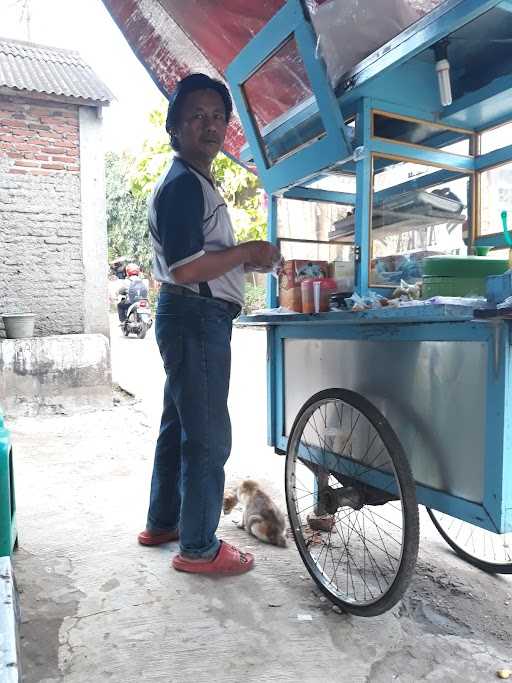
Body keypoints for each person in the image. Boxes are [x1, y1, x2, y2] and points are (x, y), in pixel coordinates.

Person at [137, 73, 280, 575]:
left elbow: (205, 259)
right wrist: (244, 252)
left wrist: (246, 261)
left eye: (218, 116)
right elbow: (186, 267)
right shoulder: (182, 186)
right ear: (174, 127)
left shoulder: (197, 183)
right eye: (196, 116)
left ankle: (165, 522)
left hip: (191, 316)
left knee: (179, 426)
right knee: (208, 436)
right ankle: (198, 547)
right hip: (196, 319)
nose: (210, 125)